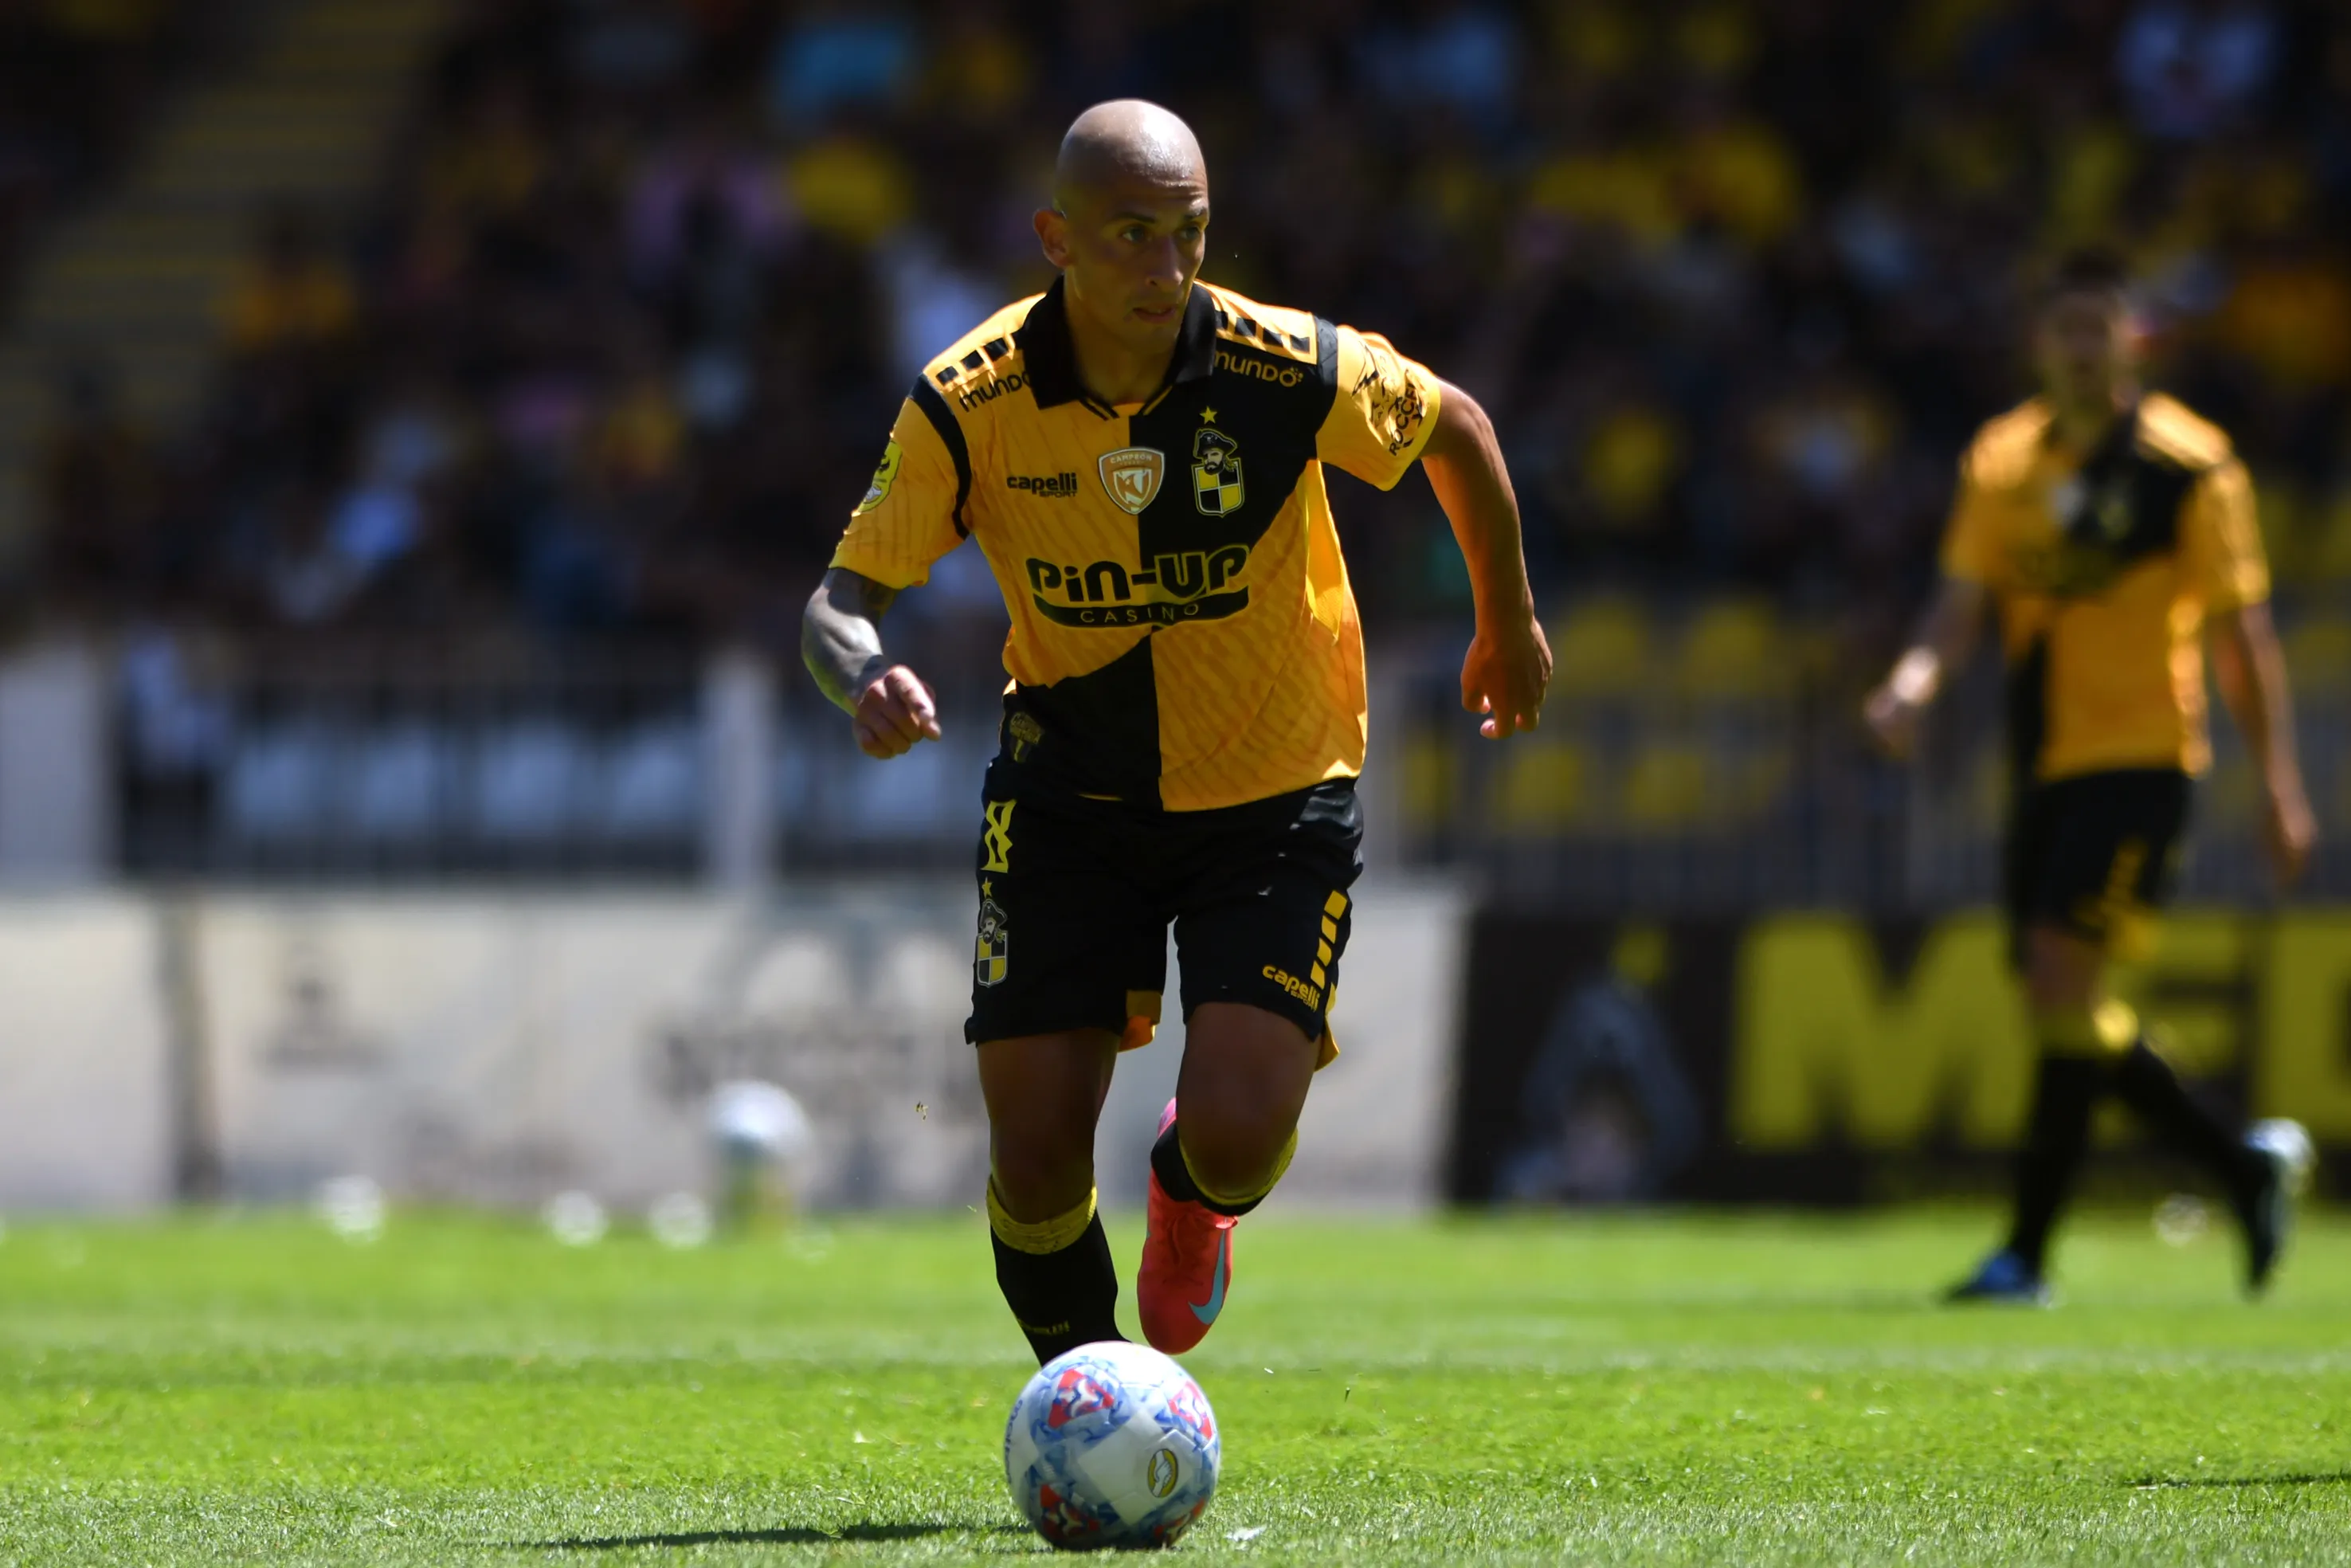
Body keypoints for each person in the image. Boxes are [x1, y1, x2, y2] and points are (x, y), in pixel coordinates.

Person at [801, 100, 1550, 1362]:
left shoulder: (1281, 366)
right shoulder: (970, 399)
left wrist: (1507, 623)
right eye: (1131, 234)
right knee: (1034, 1154)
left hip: (1273, 787)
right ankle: (1093, 1401)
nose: (1166, 266)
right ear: (1056, 239)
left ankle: (1191, 1197)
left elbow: (1455, 429)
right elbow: (836, 604)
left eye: (1189, 232)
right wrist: (863, 676)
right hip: (1069, 795)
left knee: (1238, 1138)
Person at [1863, 248, 2314, 1304]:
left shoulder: (2190, 467)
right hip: (2042, 763)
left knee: (2062, 984)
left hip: (2144, 757)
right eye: (2062, 329)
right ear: (2038, 343)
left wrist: (2280, 787)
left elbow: (2244, 639)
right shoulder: (2003, 460)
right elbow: (1958, 604)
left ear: (2131, 342)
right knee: (2057, 1000)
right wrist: (1912, 685)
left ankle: (2025, 1255)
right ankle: (2239, 1168)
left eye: (2096, 329)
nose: (2078, 348)